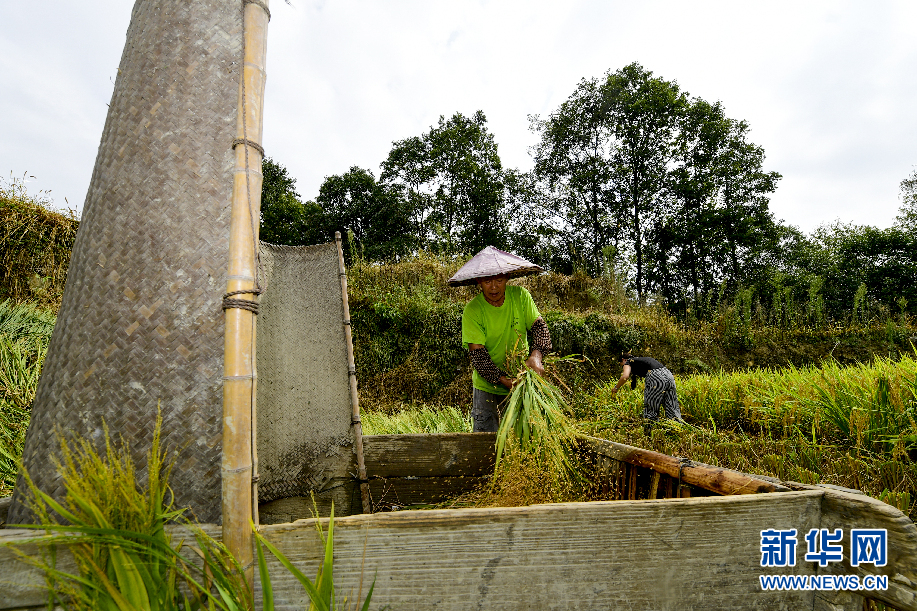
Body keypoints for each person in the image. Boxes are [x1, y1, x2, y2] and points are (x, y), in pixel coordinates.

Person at [448, 246, 552, 433]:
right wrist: (504, 380)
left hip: (521, 382)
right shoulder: (473, 311)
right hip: (486, 386)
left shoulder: (521, 296)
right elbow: (479, 356)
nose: (494, 286)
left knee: (521, 436)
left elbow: (540, 328)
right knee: (485, 441)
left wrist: (536, 356)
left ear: (507, 278)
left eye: (499, 279)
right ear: (479, 281)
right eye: (488, 280)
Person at [610, 351, 685, 433]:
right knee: (671, 404)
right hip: (668, 374)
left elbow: (625, 376)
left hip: (655, 376)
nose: (622, 366)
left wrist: (616, 388)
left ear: (624, 360)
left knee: (651, 405)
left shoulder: (628, 362)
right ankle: (678, 428)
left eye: (621, 364)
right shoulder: (639, 360)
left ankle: (650, 431)